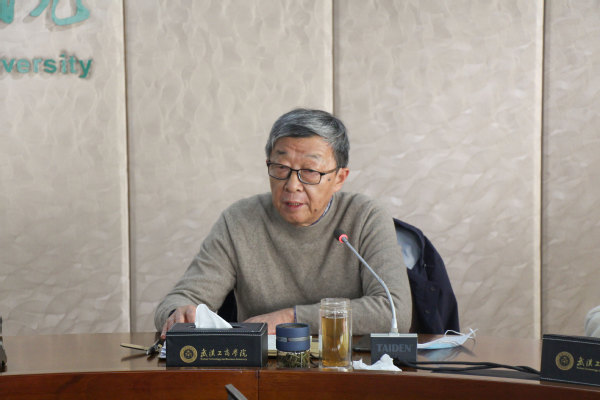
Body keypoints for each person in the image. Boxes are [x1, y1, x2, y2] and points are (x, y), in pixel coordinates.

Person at [154, 108, 412, 338]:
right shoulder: (239, 221)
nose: (292, 185)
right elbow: (179, 300)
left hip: (347, 367)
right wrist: (178, 313)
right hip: (264, 370)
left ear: (339, 178)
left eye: (310, 171)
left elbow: (394, 312)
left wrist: (290, 319)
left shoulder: (365, 217)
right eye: (281, 168)